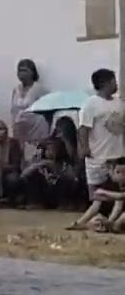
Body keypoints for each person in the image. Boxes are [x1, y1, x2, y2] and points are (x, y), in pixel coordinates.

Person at [77, 68, 125, 207]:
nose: (116, 84)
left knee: (117, 187)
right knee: (96, 189)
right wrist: (84, 147)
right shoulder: (90, 104)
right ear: (105, 83)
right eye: (113, 81)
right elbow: (84, 128)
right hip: (98, 153)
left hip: (118, 153)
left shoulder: (120, 103)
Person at [21, 138, 81, 210]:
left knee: (65, 181)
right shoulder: (38, 162)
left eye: (54, 149)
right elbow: (23, 175)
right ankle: (35, 203)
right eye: (48, 150)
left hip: (58, 194)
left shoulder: (65, 164)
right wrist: (39, 165)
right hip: (43, 193)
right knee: (33, 177)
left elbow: (75, 179)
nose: (51, 152)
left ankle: (65, 205)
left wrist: (57, 170)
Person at [9, 59, 47, 162]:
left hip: (36, 128)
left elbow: (46, 108)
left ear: (32, 72)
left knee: (35, 156)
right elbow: (13, 109)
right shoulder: (15, 89)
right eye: (19, 70)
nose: (21, 73)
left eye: (25, 70)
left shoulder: (39, 89)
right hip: (20, 129)